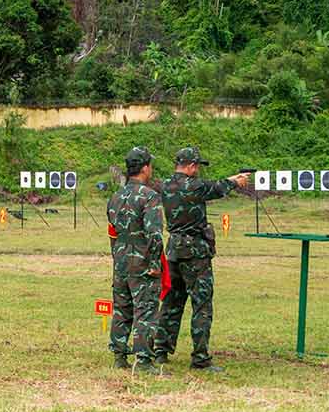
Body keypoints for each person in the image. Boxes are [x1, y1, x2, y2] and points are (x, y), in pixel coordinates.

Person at [153, 148, 250, 371]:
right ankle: (200, 358)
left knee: (171, 302)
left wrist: (232, 179)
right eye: (196, 166)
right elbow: (216, 188)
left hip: (174, 250)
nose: (197, 170)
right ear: (190, 166)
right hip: (195, 253)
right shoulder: (194, 186)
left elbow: (212, 185)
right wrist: (236, 181)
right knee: (202, 305)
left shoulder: (166, 185)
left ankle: (161, 349)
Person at [106, 146, 166, 374]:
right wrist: (154, 264)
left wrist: (117, 257)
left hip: (120, 261)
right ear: (145, 168)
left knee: (122, 309)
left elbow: (112, 232)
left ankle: (119, 357)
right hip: (142, 261)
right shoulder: (149, 196)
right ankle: (143, 361)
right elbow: (155, 234)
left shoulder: (115, 196)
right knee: (146, 310)